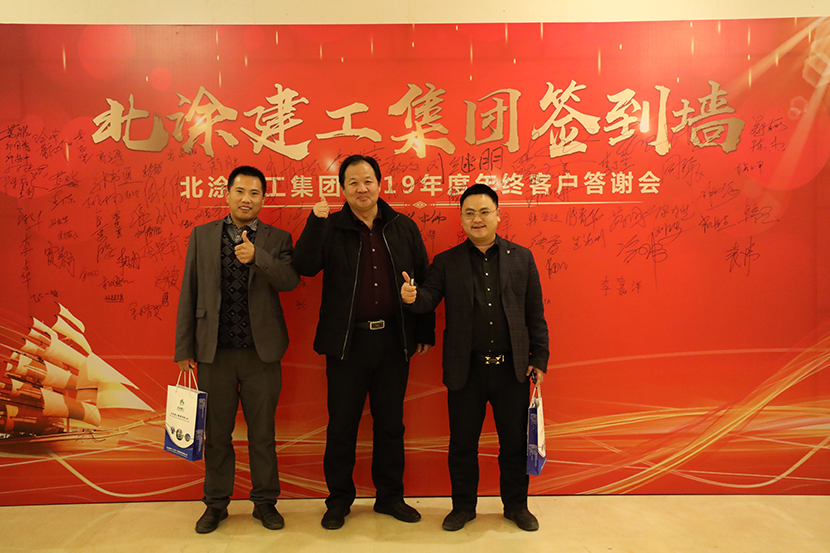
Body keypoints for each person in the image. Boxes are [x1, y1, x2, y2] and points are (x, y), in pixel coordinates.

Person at [292, 154, 435, 530]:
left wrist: (423, 330)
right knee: (342, 425)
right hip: (347, 344)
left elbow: (423, 279)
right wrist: (315, 222)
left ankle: (390, 497)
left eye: (367, 180)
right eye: (353, 182)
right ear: (342, 188)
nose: (361, 188)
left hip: (393, 341)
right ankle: (339, 500)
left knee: (390, 425)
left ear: (380, 184)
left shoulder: (403, 227)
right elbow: (304, 265)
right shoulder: (331, 226)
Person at [400, 183, 549, 532]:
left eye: (484, 212)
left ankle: (516, 506)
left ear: (498, 215)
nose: (477, 219)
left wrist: (539, 357)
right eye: (469, 213)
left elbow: (535, 313)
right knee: (462, 445)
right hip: (465, 369)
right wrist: (412, 297)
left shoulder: (522, 258)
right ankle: (463, 507)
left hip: (512, 369)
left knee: (514, 444)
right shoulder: (446, 262)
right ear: (461, 219)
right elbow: (428, 299)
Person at [174, 165, 300, 534]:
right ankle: (216, 504)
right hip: (214, 353)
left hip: (261, 354)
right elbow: (189, 290)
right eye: (240, 191)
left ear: (263, 198)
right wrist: (184, 347)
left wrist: (257, 256)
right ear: (227, 194)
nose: (247, 199)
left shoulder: (278, 239)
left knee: (263, 434)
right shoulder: (202, 236)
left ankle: (265, 503)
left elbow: (290, 281)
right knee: (216, 436)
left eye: (254, 193)